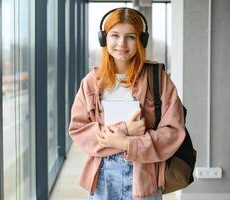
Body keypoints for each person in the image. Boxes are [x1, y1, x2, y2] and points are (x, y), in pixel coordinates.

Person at [69, 7, 185, 200]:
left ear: (141, 40)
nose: (122, 44)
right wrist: (126, 130)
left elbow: (174, 132)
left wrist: (126, 143)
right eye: (115, 35)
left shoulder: (158, 78)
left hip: (145, 175)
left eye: (130, 37)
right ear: (104, 38)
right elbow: (78, 129)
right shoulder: (91, 82)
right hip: (102, 177)